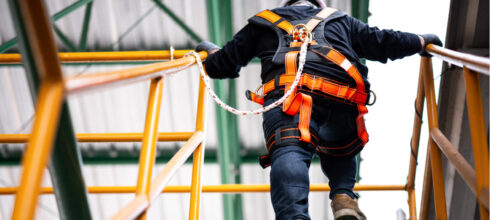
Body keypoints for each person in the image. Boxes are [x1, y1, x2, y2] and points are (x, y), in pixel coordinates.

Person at [196, 0, 442, 219]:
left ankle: (294, 215)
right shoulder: (340, 19)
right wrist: (420, 42)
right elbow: (383, 42)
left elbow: (223, 64)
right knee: (341, 150)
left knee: (290, 149)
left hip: (290, 101)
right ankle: (344, 198)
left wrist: (208, 51)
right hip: (342, 99)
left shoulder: (262, 23)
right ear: (319, 7)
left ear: (286, 7)